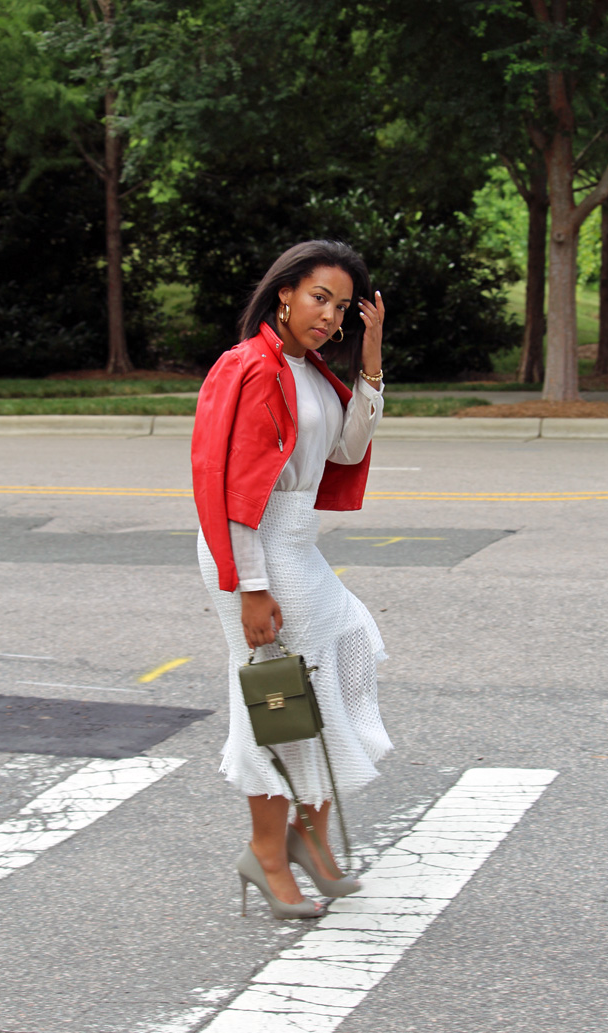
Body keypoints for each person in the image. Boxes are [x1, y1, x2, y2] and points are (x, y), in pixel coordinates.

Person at [191, 240, 392, 920]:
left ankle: (310, 834)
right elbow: (225, 486)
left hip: (297, 545)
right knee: (277, 696)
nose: (330, 316)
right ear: (283, 292)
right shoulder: (246, 366)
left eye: (342, 307)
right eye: (319, 298)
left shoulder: (310, 372)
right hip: (254, 545)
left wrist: (370, 367)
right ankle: (267, 853)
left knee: (351, 651)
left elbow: (347, 449)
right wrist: (249, 585)